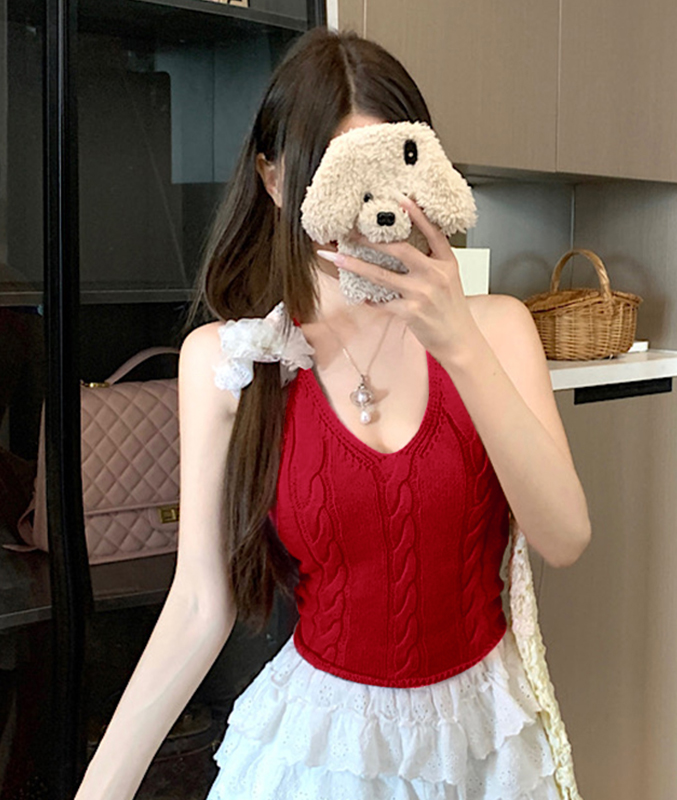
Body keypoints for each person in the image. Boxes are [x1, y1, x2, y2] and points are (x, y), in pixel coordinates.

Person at [74, 25, 591, 800]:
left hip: (483, 744)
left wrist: (459, 344)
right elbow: (201, 604)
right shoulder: (231, 359)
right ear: (275, 180)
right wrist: (99, 788)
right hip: (324, 747)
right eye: (334, 174)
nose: (364, 208)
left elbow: (564, 537)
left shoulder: (497, 329)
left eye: (387, 168)